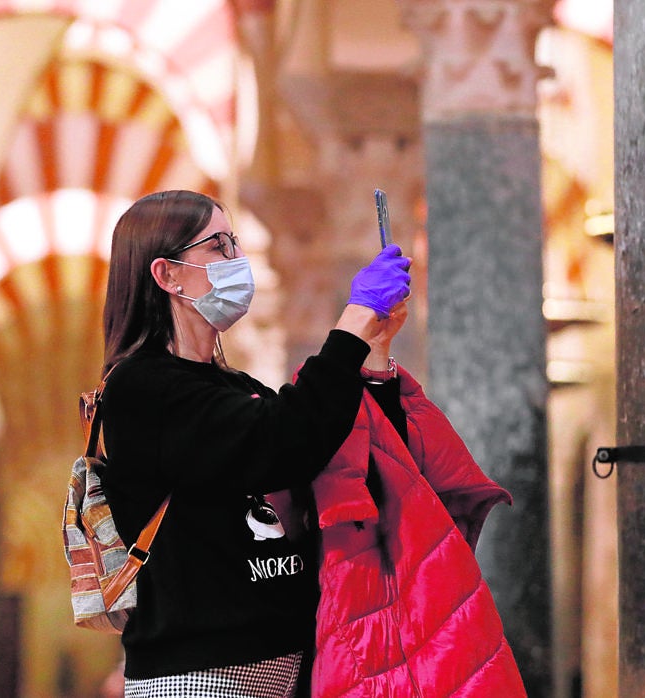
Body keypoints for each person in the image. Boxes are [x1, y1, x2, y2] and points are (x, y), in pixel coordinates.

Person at [97, 189, 411, 698]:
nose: (237, 258)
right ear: (168, 275)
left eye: (235, 242)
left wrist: (373, 351)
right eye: (218, 246)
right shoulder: (140, 388)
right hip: (197, 678)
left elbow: (335, 457)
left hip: (287, 668)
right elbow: (283, 439)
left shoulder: (234, 386)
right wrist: (353, 321)